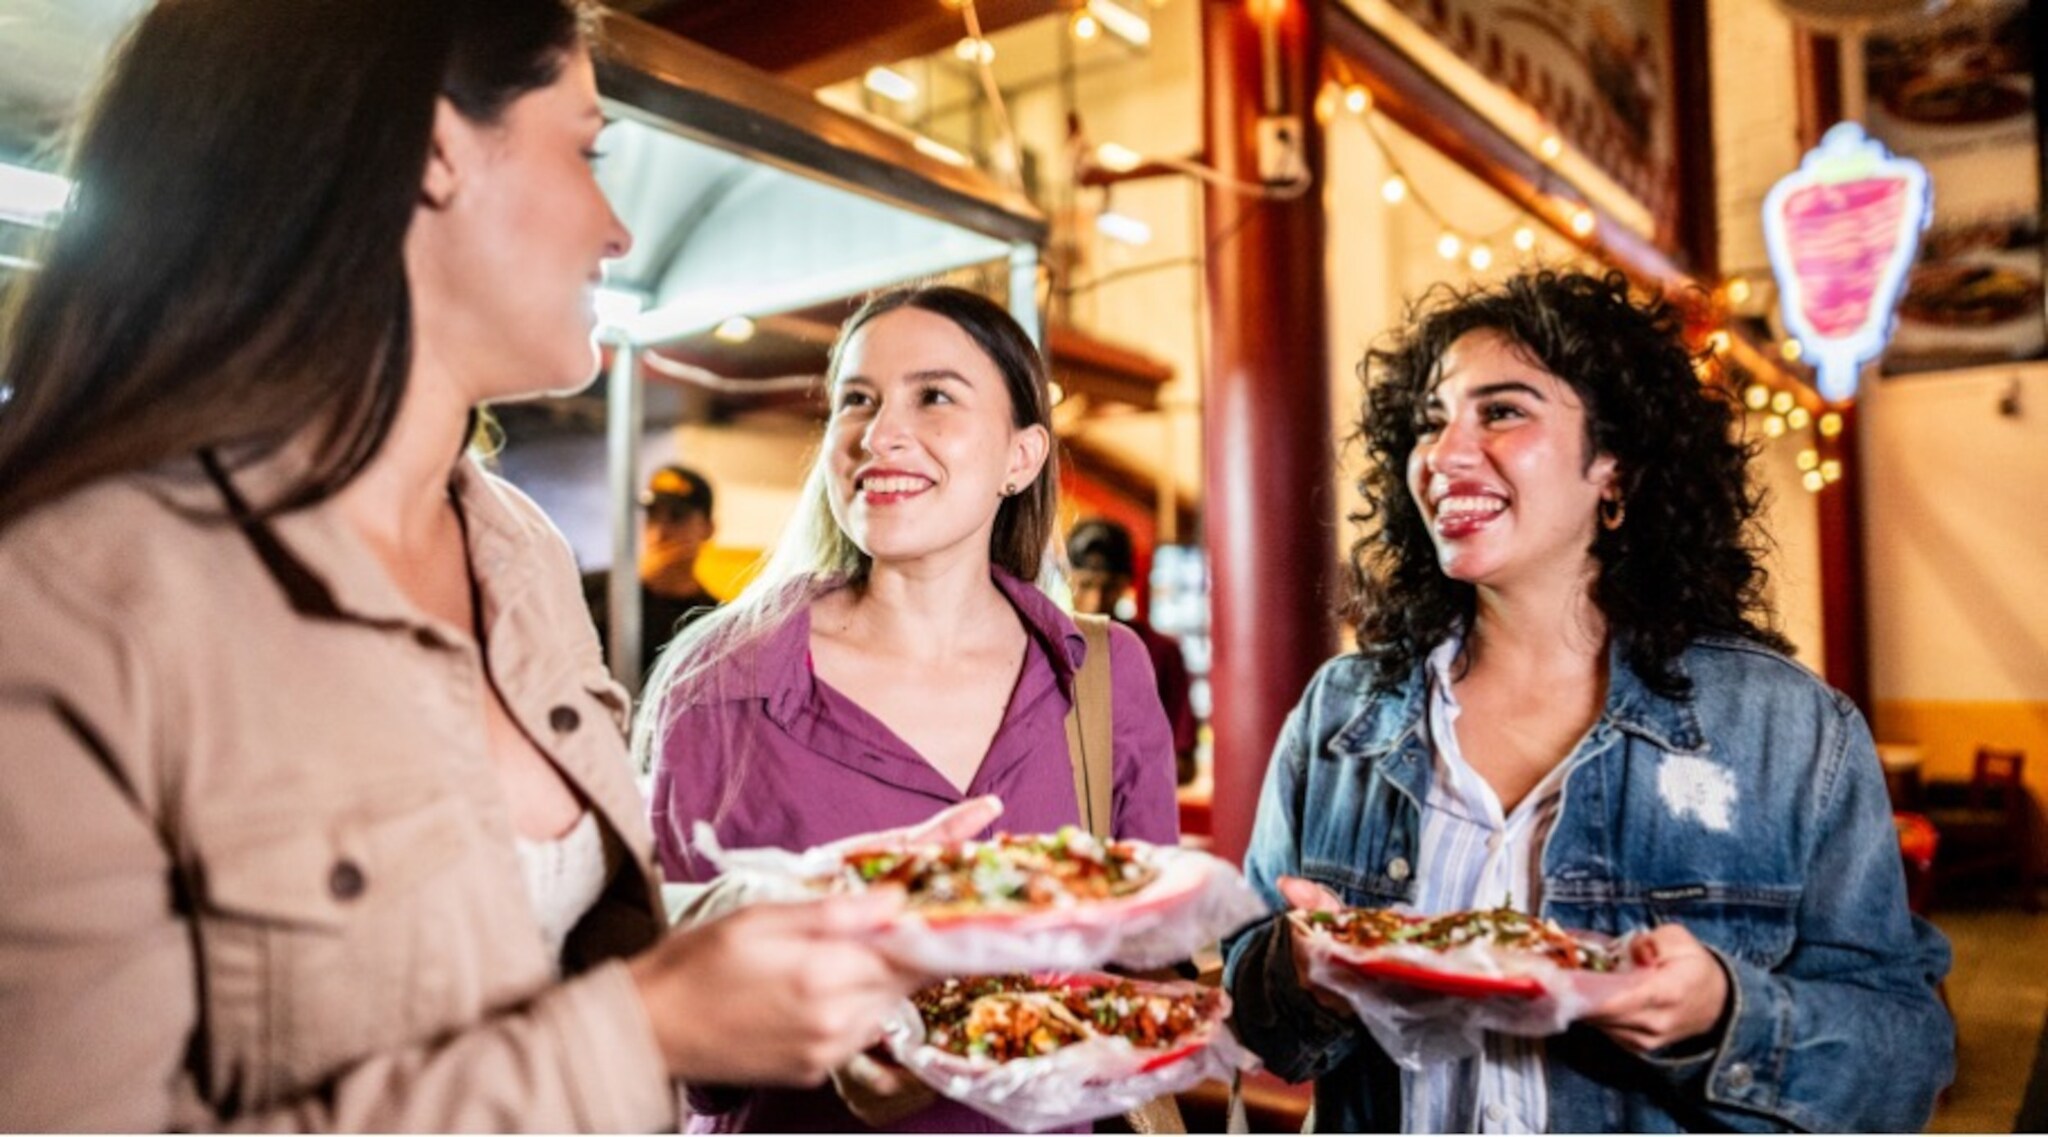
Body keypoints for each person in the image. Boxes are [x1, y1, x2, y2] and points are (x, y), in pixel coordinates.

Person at [0, 1, 969, 1129]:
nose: (615, 230)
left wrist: (784, 923)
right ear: (434, 152)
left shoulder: (518, 552)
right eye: (585, 149)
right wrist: (647, 1030)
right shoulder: (72, 603)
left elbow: (528, 951)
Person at [1223, 269, 1954, 1132]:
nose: (1446, 452)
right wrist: (1298, 973)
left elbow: (1907, 1056)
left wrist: (1725, 1012)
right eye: (1431, 421)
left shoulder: (1786, 731)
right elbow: (1256, 1020)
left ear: (1615, 467)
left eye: (1502, 411)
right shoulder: (1344, 714)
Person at [639, 284, 1181, 1132]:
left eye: (933, 395)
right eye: (856, 399)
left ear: (1021, 456)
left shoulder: (1103, 675)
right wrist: (824, 1036)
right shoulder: (720, 681)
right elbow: (662, 1020)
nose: (879, 433)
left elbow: (1150, 965)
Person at [1067, 518, 1200, 785]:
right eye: (1085, 584)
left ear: (1125, 585)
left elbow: (1184, 765)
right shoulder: (1046, 649)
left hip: (1135, 821)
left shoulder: (1161, 653)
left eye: (1109, 586)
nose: (1096, 601)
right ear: (1069, 580)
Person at [584, 463, 721, 679]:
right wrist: (633, 583)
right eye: (652, 517)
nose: (659, 533)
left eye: (677, 517)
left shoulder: (712, 619)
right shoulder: (593, 589)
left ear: (708, 528)